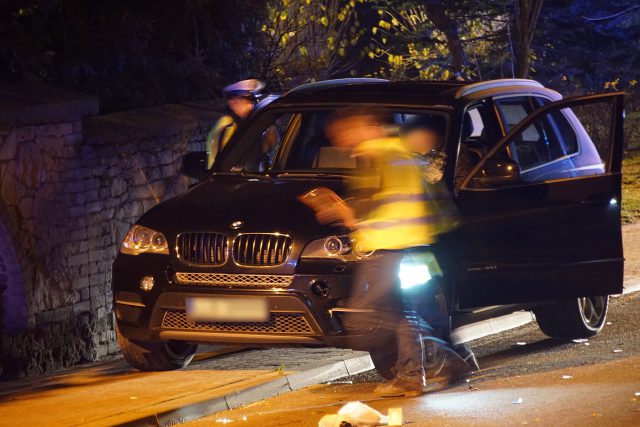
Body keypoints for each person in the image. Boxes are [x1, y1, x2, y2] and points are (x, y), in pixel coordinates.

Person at [313, 107, 470, 397]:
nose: (342, 139)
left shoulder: (375, 155)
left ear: (368, 127)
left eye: (347, 131)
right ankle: (419, 371)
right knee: (402, 313)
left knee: (362, 317)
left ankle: (438, 360)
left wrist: (339, 209)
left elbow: (372, 204)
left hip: (388, 246)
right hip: (413, 244)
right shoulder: (402, 153)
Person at [206, 79, 264, 169]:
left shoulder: (241, 123)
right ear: (233, 102)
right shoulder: (229, 126)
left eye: (252, 102)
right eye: (246, 102)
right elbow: (229, 166)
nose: (250, 106)